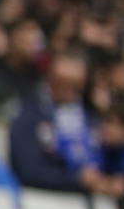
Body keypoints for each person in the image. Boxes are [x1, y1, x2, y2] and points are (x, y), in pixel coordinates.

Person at [10, 49, 123, 197]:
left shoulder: (89, 116)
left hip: (94, 204)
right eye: (64, 82)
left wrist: (116, 153)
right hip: (47, 202)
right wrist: (76, 178)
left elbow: (104, 163)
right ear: (51, 77)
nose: (70, 90)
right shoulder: (30, 115)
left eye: (77, 85)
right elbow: (28, 171)